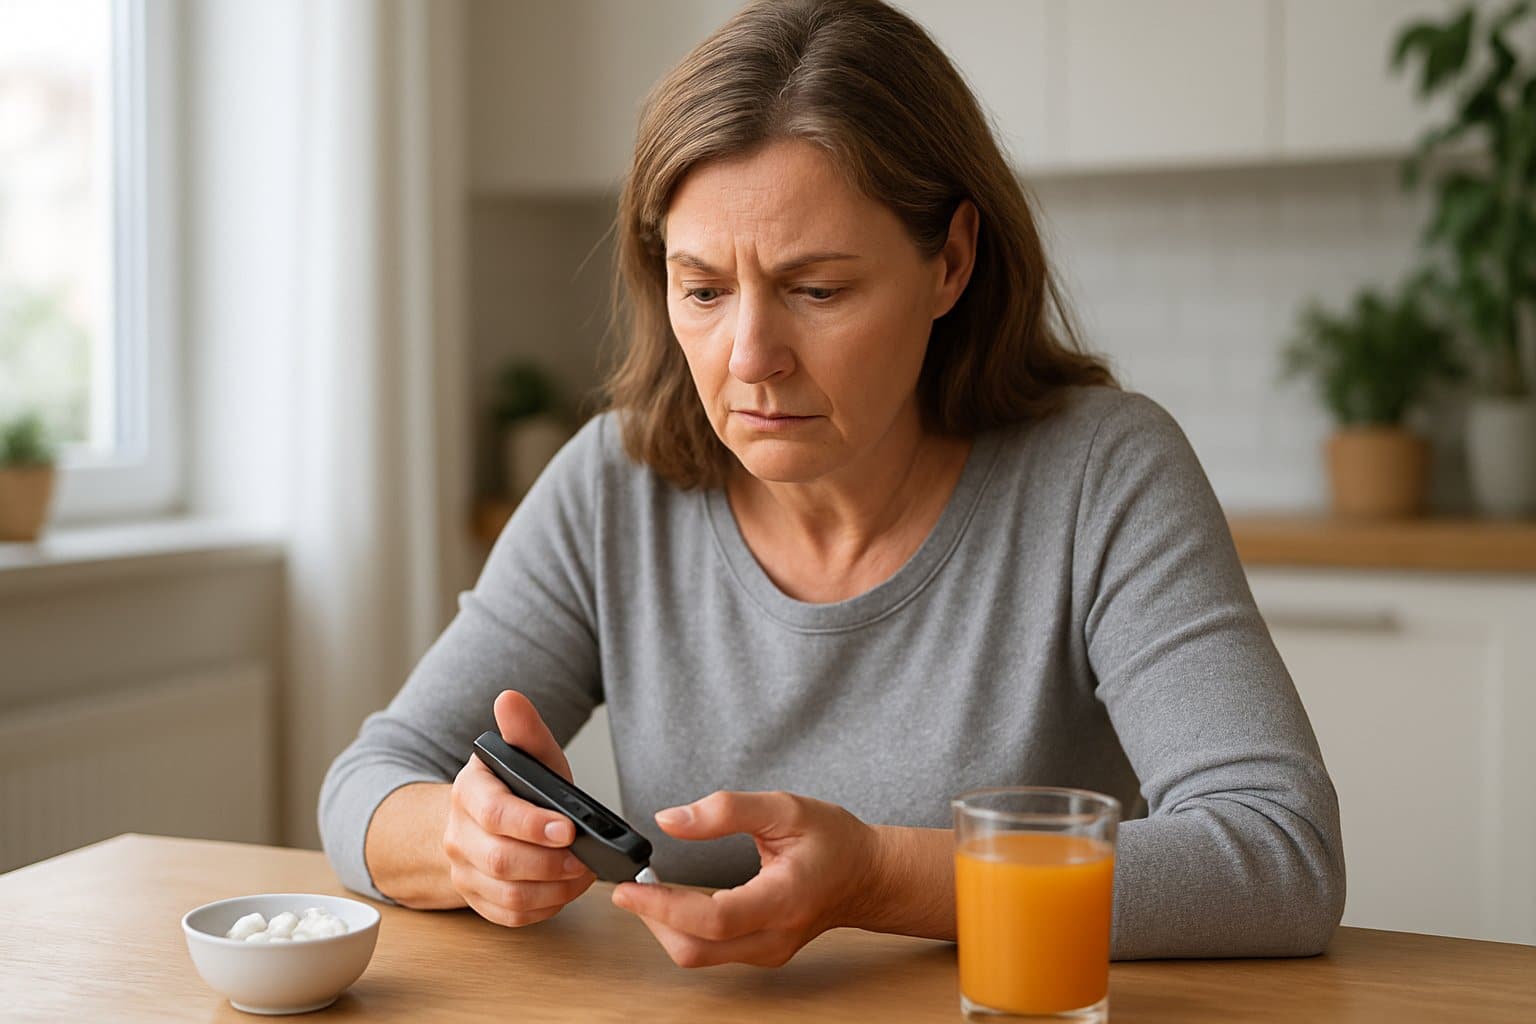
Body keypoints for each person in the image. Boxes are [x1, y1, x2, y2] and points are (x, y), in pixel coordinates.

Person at [320, 0, 1344, 968]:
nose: (751, 355)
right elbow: (367, 782)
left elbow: (1277, 854)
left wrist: (877, 877)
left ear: (950, 261)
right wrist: (464, 842)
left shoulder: (1100, 476)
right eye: (705, 290)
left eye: (817, 289)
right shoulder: (612, 487)